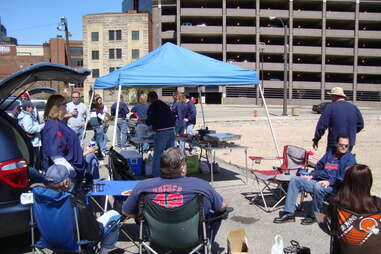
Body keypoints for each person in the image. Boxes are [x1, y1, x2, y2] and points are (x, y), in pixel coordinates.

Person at [122, 147, 227, 242]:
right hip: (191, 238)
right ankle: (207, 242)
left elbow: (126, 212)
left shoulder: (143, 187)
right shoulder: (201, 186)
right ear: (182, 167)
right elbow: (221, 207)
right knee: (220, 212)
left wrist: (144, 218)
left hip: (157, 238)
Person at [273, 135, 356, 225]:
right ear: (336, 144)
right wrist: (312, 175)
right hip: (320, 181)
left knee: (318, 187)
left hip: (336, 187)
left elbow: (344, 178)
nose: (343, 147)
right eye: (341, 145)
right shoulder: (330, 153)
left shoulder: (350, 159)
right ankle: (289, 213)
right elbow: (319, 167)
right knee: (295, 180)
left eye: (346, 146)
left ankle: (314, 216)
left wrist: (329, 181)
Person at [43, 164, 120, 254]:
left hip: (54, 242)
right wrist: (99, 225)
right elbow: (93, 234)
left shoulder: (41, 202)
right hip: (77, 243)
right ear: (66, 183)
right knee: (114, 215)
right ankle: (103, 252)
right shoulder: (76, 204)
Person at [324, 164, 381, 254]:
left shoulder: (336, 204)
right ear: (369, 182)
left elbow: (332, 230)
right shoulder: (378, 203)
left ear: (346, 181)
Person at [41, 94, 99, 181]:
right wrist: (71, 172)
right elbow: (55, 155)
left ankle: (94, 188)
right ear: (57, 107)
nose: (66, 106)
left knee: (93, 159)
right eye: (64, 104)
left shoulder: (59, 123)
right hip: (67, 172)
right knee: (92, 159)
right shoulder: (52, 126)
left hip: (75, 165)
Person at [313, 87, 364, 153]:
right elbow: (361, 125)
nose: (330, 98)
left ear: (334, 96)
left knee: (332, 162)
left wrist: (316, 139)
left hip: (334, 142)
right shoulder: (354, 107)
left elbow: (321, 126)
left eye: (331, 96)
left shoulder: (330, 107)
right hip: (349, 142)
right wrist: (351, 131)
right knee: (346, 161)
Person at [146, 91, 176, 177]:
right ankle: (171, 173)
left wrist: (148, 123)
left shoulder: (153, 105)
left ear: (151, 98)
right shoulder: (164, 104)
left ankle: (156, 175)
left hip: (162, 131)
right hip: (172, 130)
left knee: (158, 154)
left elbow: (151, 119)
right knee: (170, 153)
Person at [17, 101, 45, 168]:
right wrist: (42, 126)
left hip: (31, 141)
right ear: (27, 108)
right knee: (34, 161)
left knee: (33, 160)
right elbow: (29, 129)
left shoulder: (26, 115)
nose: (33, 108)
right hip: (33, 142)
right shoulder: (27, 117)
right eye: (32, 107)